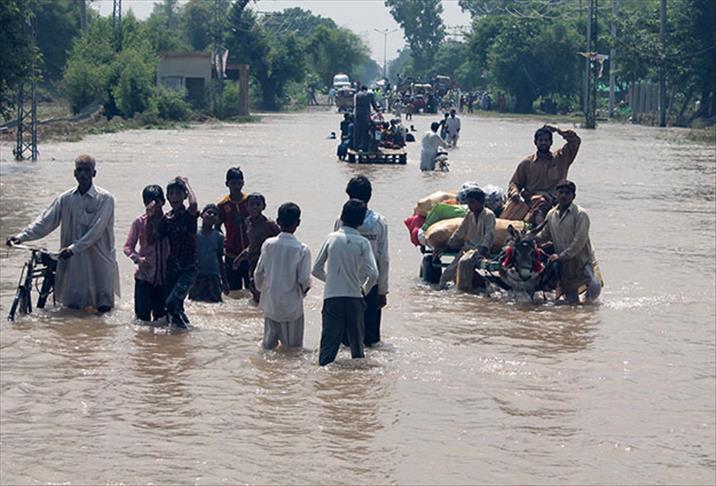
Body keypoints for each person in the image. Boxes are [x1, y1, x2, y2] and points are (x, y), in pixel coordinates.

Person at [7, 155, 119, 312]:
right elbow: (45, 222)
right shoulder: (65, 198)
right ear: (74, 173)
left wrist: (73, 249)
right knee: (72, 308)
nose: (83, 174)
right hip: (74, 262)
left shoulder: (105, 199)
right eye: (79, 170)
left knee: (103, 309)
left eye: (87, 170)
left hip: (98, 261)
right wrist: (21, 237)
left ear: (94, 173)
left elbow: (96, 231)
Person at [313, 199, 379, 366]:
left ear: (342, 216)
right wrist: (364, 289)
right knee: (357, 353)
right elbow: (374, 273)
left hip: (333, 298)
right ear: (361, 221)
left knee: (327, 353)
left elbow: (316, 270)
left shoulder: (331, 238)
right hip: (355, 298)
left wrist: (331, 281)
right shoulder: (363, 242)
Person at [333, 176, 389, 347]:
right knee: (370, 340)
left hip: (345, 284)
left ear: (349, 196)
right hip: (370, 285)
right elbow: (383, 258)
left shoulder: (340, 221)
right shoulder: (379, 222)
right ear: (369, 196)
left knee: (345, 340)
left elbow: (335, 253)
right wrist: (383, 290)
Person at [254, 203, 312, 350]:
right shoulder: (302, 249)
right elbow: (304, 280)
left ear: (278, 221)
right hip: (292, 308)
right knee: (293, 350)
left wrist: (262, 289)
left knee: (268, 348)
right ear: (298, 223)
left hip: (271, 304)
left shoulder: (268, 244)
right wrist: (304, 292)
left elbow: (258, 273)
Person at [535, 180, 602, 304]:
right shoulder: (551, 215)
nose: (563, 196)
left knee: (594, 288)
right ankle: (578, 315)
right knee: (572, 302)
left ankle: (589, 308)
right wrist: (529, 239)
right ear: (556, 194)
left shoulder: (580, 214)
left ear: (573, 196)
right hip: (566, 265)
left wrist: (560, 256)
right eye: (561, 193)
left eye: (567, 193)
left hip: (583, 260)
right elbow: (544, 235)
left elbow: (579, 242)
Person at [502, 125, 581, 225]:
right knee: (539, 204)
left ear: (551, 142)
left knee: (543, 203)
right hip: (531, 200)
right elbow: (514, 183)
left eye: (546, 140)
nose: (544, 143)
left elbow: (575, 141)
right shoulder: (526, 163)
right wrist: (515, 192)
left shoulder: (561, 158)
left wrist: (558, 130)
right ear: (535, 142)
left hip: (555, 200)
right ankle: (537, 227)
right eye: (541, 140)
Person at [149, 177, 198, 328]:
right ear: (167, 197)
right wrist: (150, 218)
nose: (174, 197)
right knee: (174, 307)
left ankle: (183, 332)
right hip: (172, 268)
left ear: (184, 195)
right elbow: (152, 239)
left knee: (171, 304)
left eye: (178, 193)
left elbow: (194, 204)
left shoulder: (189, 215)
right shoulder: (167, 218)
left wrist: (187, 183)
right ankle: (181, 336)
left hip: (189, 267)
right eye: (171, 194)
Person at [124, 184, 170, 321]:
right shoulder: (139, 222)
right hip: (144, 277)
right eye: (149, 202)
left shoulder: (169, 221)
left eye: (156, 202)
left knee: (161, 320)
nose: (153, 206)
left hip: (164, 278)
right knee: (141, 321)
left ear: (163, 201)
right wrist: (138, 259)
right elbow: (128, 247)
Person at [437, 188, 496, 291]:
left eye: (472, 202)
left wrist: (483, 248)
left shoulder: (489, 215)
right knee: (447, 275)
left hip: (479, 250)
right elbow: (460, 232)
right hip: (467, 249)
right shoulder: (469, 215)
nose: (469, 205)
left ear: (481, 202)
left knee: (464, 268)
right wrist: (448, 245)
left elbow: (489, 234)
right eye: (468, 203)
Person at [232, 193, 280, 303]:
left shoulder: (269, 224)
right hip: (252, 261)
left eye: (258, 204)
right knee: (253, 289)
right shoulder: (248, 222)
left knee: (260, 290)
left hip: (266, 262)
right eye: (252, 204)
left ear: (263, 207)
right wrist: (239, 258)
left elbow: (282, 240)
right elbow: (252, 244)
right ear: (246, 206)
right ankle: (257, 311)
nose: (255, 207)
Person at [218, 167, 250, 291]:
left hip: (249, 252)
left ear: (243, 183)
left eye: (239, 183)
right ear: (227, 184)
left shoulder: (250, 201)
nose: (236, 186)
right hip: (231, 253)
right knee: (233, 292)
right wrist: (222, 243)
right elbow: (217, 227)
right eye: (233, 183)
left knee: (252, 289)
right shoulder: (223, 205)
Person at [189, 204, 229, 303]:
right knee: (195, 303)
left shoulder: (219, 236)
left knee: (215, 303)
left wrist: (225, 282)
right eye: (209, 212)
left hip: (213, 276)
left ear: (217, 219)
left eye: (215, 214)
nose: (212, 215)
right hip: (197, 275)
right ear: (202, 215)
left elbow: (220, 259)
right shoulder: (194, 234)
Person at [353, 85, 380, 151]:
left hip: (357, 114)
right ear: (366, 89)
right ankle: (364, 147)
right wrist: (377, 110)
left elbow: (355, 105)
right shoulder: (370, 94)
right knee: (365, 131)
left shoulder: (357, 95)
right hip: (365, 115)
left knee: (357, 131)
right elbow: (374, 104)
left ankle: (356, 147)